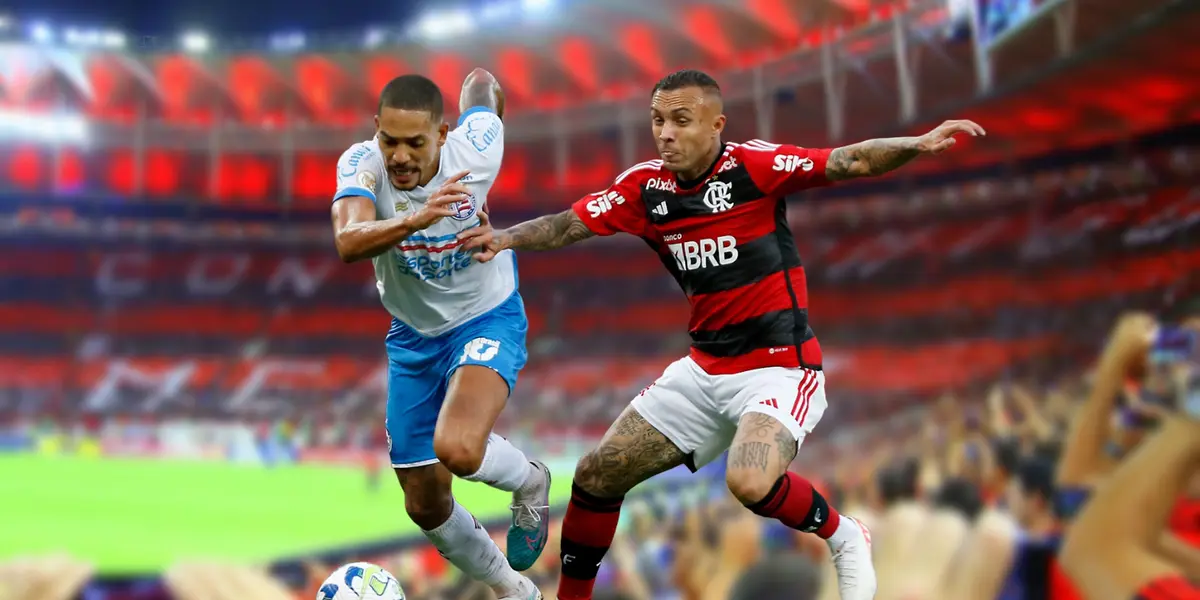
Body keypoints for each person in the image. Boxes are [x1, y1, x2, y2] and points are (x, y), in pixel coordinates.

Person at [458, 68, 985, 600]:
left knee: (750, 482)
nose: (665, 133)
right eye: (658, 120)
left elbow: (847, 160)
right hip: (703, 369)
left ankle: (845, 535)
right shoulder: (645, 188)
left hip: (779, 368)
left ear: (717, 126)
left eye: (681, 121)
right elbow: (567, 224)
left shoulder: (753, 166)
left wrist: (916, 144)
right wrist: (504, 238)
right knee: (596, 477)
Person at [329, 69, 550, 600]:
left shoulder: (475, 153)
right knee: (424, 503)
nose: (399, 156)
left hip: (485, 314)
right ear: (375, 130)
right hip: (412, 335)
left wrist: (486, 98)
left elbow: (481, 83)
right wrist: (416, 218)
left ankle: (530, 481)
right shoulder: (360, 164)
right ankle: (514, 590)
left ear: (444, 135)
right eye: (389, 140)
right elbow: (348, 240)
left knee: (457, 447)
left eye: (415, 142)